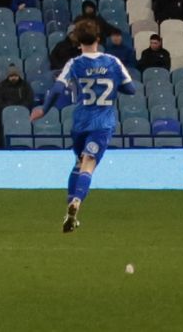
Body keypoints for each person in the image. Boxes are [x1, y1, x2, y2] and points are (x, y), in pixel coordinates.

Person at [31, 16, 136, 233]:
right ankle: (77, 201)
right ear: (99, 38)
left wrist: (43, 109)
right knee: (89, 164)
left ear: (78, 40)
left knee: (79, 163)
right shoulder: (112, 61)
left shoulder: (74, 63)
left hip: (80, 121)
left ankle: (69, 211)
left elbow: (58, 89)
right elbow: (131, 89)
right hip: (102, 122)